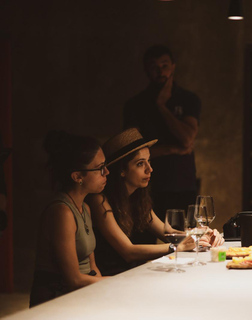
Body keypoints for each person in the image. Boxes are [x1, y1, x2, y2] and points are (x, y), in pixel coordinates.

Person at [87, 128, 223, 276]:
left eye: (149, 161)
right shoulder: (99, 200)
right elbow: (128, 251)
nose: (150, 169)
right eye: (140, 164)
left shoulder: (138, 197)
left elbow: (169, 233)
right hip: (110, 277)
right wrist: (177, 247)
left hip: (137, 273)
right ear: (122, 170)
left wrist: (201, 234)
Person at [30, 131, 108, 307]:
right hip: (56, 298)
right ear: (77, 176)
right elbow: (73, 279)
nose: (107, 172)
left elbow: (92, 267)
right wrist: (115, 283)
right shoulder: (62, 212)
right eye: (100, 168)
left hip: (79, 292)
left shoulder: (85, 207)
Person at [124, 45, 200, 222]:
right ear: (146, 70)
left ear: (173, 66)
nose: (160, 71)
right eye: (154, 67)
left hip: (182, 183)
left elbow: (187, 139)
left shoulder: (189, 99)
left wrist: (161, 106)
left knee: (184, 241)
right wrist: (172, 149)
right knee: (143, 240)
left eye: (164, 65)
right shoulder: (135, 104)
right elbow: (131, 153)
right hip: (145, 184)